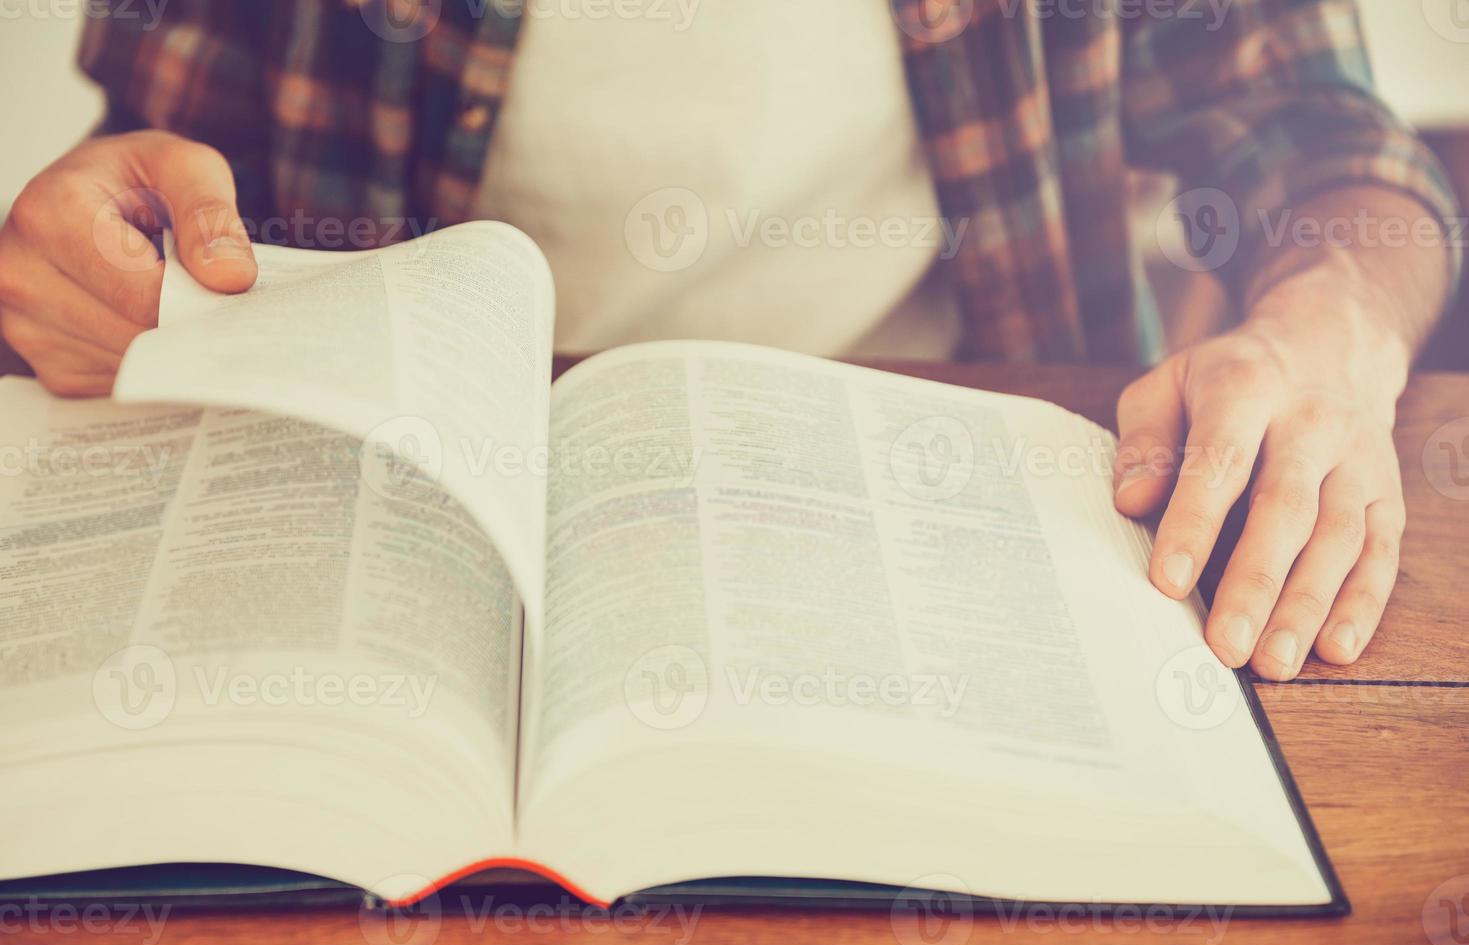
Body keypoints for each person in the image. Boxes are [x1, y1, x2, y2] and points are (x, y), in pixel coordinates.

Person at [0, 0, 1458, 682]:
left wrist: (1331, 322)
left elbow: (1326, 138)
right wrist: (96, 240)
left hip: (984, 500)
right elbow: (158, 157)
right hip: (397, 509)